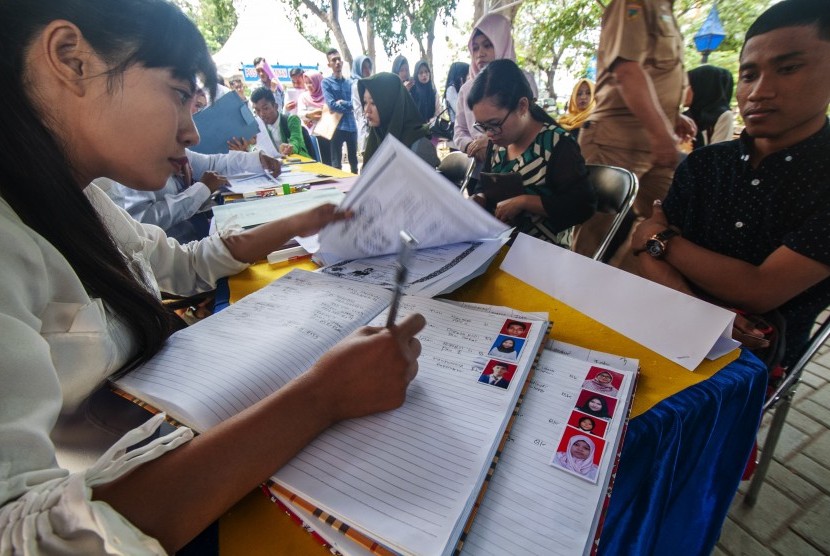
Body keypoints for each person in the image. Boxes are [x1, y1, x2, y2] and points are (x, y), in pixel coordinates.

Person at [0, 1, 425, 552]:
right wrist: (323, 395)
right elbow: (23, 536)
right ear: (71, 59)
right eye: (179, 94)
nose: (192, 132)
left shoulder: (84, 203)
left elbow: (182, 262)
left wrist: (297, 222)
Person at [631, 0, 830, 372]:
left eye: (788, 68)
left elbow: (758, 290)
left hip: (753, 360)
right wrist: (697, 314)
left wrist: (662, 240)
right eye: (750, 74)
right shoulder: (708, 163)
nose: (759, 92)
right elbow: (641, 250)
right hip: (667, 320)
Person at [572, 0, 697, 262]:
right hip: (615, 140)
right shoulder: (635, 3)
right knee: (594, 234)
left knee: (664, 226)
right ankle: (571, 293)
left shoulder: (667, 11)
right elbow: (627, 71)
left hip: (658, 142)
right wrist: (662, 130)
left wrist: (672, 117)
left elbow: (655, 77)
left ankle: (621, 291)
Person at [467, 59, 596, 249]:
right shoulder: (497, 144)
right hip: (501, 246)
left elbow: (583, 206)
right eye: (483, 126)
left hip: (545, 255)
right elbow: (484, 185)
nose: (488, 133)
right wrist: (479, 198)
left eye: (494, 124)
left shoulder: (557, 145)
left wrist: (525, 202)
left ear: (522, 106)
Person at [113, 149, 281, 243]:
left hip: (201, 238)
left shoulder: (173, 148)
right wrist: (201, 189)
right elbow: (143, 222)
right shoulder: (132, 165)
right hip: (178, 250)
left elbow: (214, 163)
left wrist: (257, 159)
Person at [454, 13, 539, 182]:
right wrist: (471, 145)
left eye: (487, 45)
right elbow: (459, 130)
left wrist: (490, 142)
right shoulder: (467, 89)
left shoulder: (523, 80)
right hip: (478, 170)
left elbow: (530, 125)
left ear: (502, 43)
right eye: (476, 48)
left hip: (520, 169)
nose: (480, 54)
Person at [358, 72, 440, 168]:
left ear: (391, 104)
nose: (367, 110)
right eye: (364, 102)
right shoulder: (376, 138)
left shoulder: (420, 146)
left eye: (373, 103)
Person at [323, 48, 359, 174]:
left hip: (351, 126)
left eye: (339, 59)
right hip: (336, 127)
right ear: (329, 64)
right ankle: (338, 191)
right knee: (336, 164)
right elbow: (331, 105)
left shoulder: (350, 83)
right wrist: (349, 106)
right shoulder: (326, 83)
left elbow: (355, 104)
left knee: (354, 162)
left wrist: (342, 103)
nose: (337, 62)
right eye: (334, 60)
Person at [249, 87, 311, 158]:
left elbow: (296, 140)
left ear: (275, 106)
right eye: (257, 110)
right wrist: (254, 150)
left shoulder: (292, 120)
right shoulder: (259, 127)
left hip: (299, 163)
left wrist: (289, 148)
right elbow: (252, 146)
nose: (262, 114)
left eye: (265, 108)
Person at [684, 65, 735, 149]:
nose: (683, 91)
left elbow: (717, 153)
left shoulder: (723, 116)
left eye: (687, 85)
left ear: (701, 88)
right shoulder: (685, 116)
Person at [298, 70, 332, 165]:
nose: (309, 85)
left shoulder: (327, 96)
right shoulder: (303, 97)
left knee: (328, 162)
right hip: (310, 135)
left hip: (325, 133)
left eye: (311, 82)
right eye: (307, 83)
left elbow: (332, 110)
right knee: (314, 161)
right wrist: (311, 114)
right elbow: (300, 113)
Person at [351, 54, 374, 154]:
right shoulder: (358, 84)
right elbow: (360, 111)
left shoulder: (367, 83)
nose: (367, 70)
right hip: (365, 123)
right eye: (364, 67)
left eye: (369, 67)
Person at [411, 60, 440, 125]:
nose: (424, 75)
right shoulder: (412, 91)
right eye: (421, 73)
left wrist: (434, 119)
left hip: (432, 128)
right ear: (416, 75)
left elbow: (438, 112)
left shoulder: (433, 91)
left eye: (426, 72)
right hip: (416, 130)